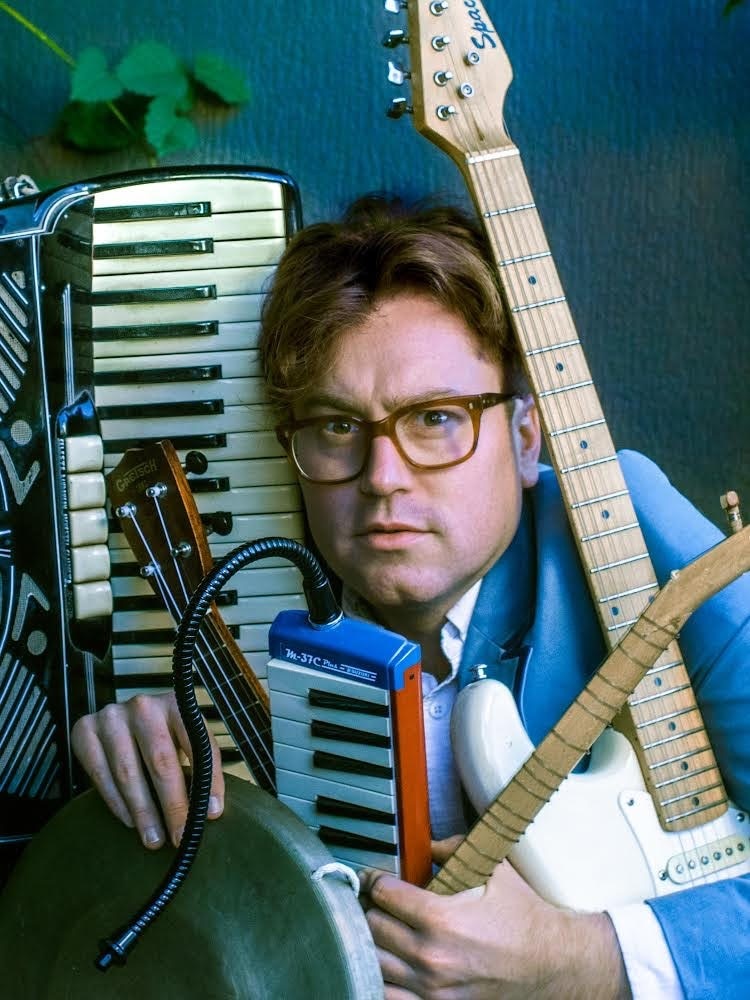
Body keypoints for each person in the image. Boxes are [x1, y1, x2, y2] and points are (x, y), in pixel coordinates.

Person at [71, 196, 750, 999]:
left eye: (435, 417)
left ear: (526, 436)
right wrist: (141, 777)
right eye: (335, 426)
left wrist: (585, 960)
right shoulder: (254, 595)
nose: (383, 478)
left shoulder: (624, 530)